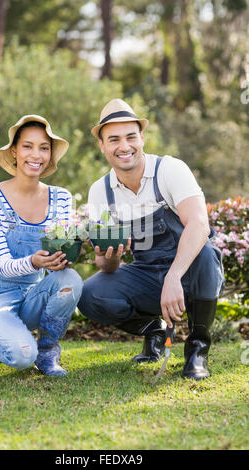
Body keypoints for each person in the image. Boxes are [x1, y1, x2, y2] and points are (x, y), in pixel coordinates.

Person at [78, 99, 225, 380]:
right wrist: (112, 253)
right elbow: (105, 266)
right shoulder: (101, 192)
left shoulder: (169, 170)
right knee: (89, 295)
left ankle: (197, 348)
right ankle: (153, 330)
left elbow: (198, 224)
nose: (124, 146)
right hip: (146, 274)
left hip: (190, 270)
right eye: (114, 139)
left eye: (131, 137)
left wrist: (173, 276)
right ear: (102, 146)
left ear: (142, 138)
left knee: (206, 253)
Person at [0, 115, 83, 376]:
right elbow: (4, 266)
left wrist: (65, 257)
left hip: (30, 296)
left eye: (44, 147)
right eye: (27, 146)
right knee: (20, 356)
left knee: (70, 279)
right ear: (14, 151)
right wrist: (34, 262)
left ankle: (48, 353)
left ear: (50, 155)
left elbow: (57, 253)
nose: (36, 155)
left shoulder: (61, 198)